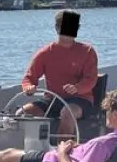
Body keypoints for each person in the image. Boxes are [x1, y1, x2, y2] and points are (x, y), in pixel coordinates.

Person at [17, 9, 99, 139]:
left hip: (81, 100)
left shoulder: (87, 51)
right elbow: (29, 78)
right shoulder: (45, 53)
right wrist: (28, 87)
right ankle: (30, 152)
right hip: (52, 99)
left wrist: (77, 88)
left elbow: (91, 80)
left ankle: (63, 153)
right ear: (57, 28)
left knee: (67, 112)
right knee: (22, 113)